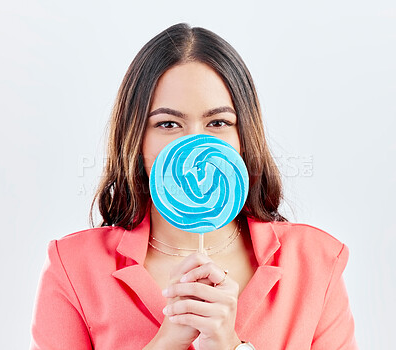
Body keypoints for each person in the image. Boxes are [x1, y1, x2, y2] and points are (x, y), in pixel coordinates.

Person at [29, 23, 358, 350]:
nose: (195, 144)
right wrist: (167, 342)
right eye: (168, 123)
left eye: (218, 122)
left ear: (243, 137)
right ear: (136, 138)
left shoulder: (316, 262)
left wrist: (230, 345)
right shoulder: (72, 267)